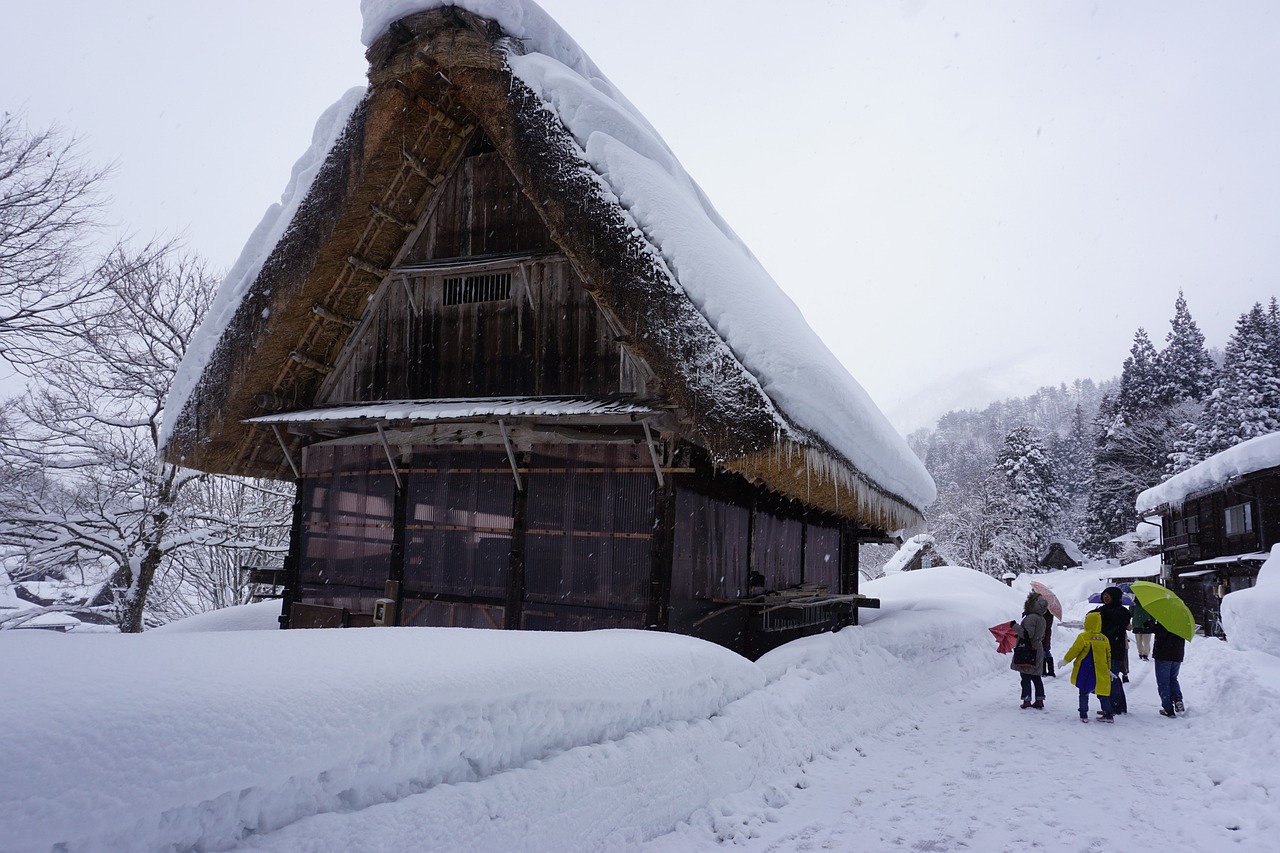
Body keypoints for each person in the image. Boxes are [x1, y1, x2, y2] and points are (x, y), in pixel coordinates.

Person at [1060, 611, 1115, 723]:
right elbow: (1108, 655)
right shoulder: (1104, 639)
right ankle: (1108, 714)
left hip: (1086, 670)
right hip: (1101, 671)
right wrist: (1109, 669)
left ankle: (1083, 714)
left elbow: (1074, 651)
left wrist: (1065, 660)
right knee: (1102, 693)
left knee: (1084, 692)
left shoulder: (1083, 637)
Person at [1092, 586, 1130, 713]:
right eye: (1104, 595)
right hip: (1102, 649)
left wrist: (1101, 613)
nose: (1106, 597)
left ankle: (1115, 706)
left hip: (1115, 649)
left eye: (1109, 595)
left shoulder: (1123, 612)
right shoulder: (1101, 610)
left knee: (1112, 678)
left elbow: (1116, 619)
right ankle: (1116, 705)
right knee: (1108, 678)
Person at [1011, 592, 1049, 709]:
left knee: (1026, 677)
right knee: (1036, 677)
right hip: (1037, 648)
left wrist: (1015, 626)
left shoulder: (1031, 618)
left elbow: (1028, 634)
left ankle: (1026, 700)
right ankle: (1039, 700)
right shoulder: (1041, 618)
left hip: (1028, 650)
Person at [1152, 619, 1186, 717]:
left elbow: (1161, 632)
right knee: (1173, 678)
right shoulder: (1182, 621)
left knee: (1163, 681)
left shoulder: (1165, 618)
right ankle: (1177, 699)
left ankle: (1168, 708)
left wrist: (1151, 625)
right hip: (1177, 654)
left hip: (1163, 654)